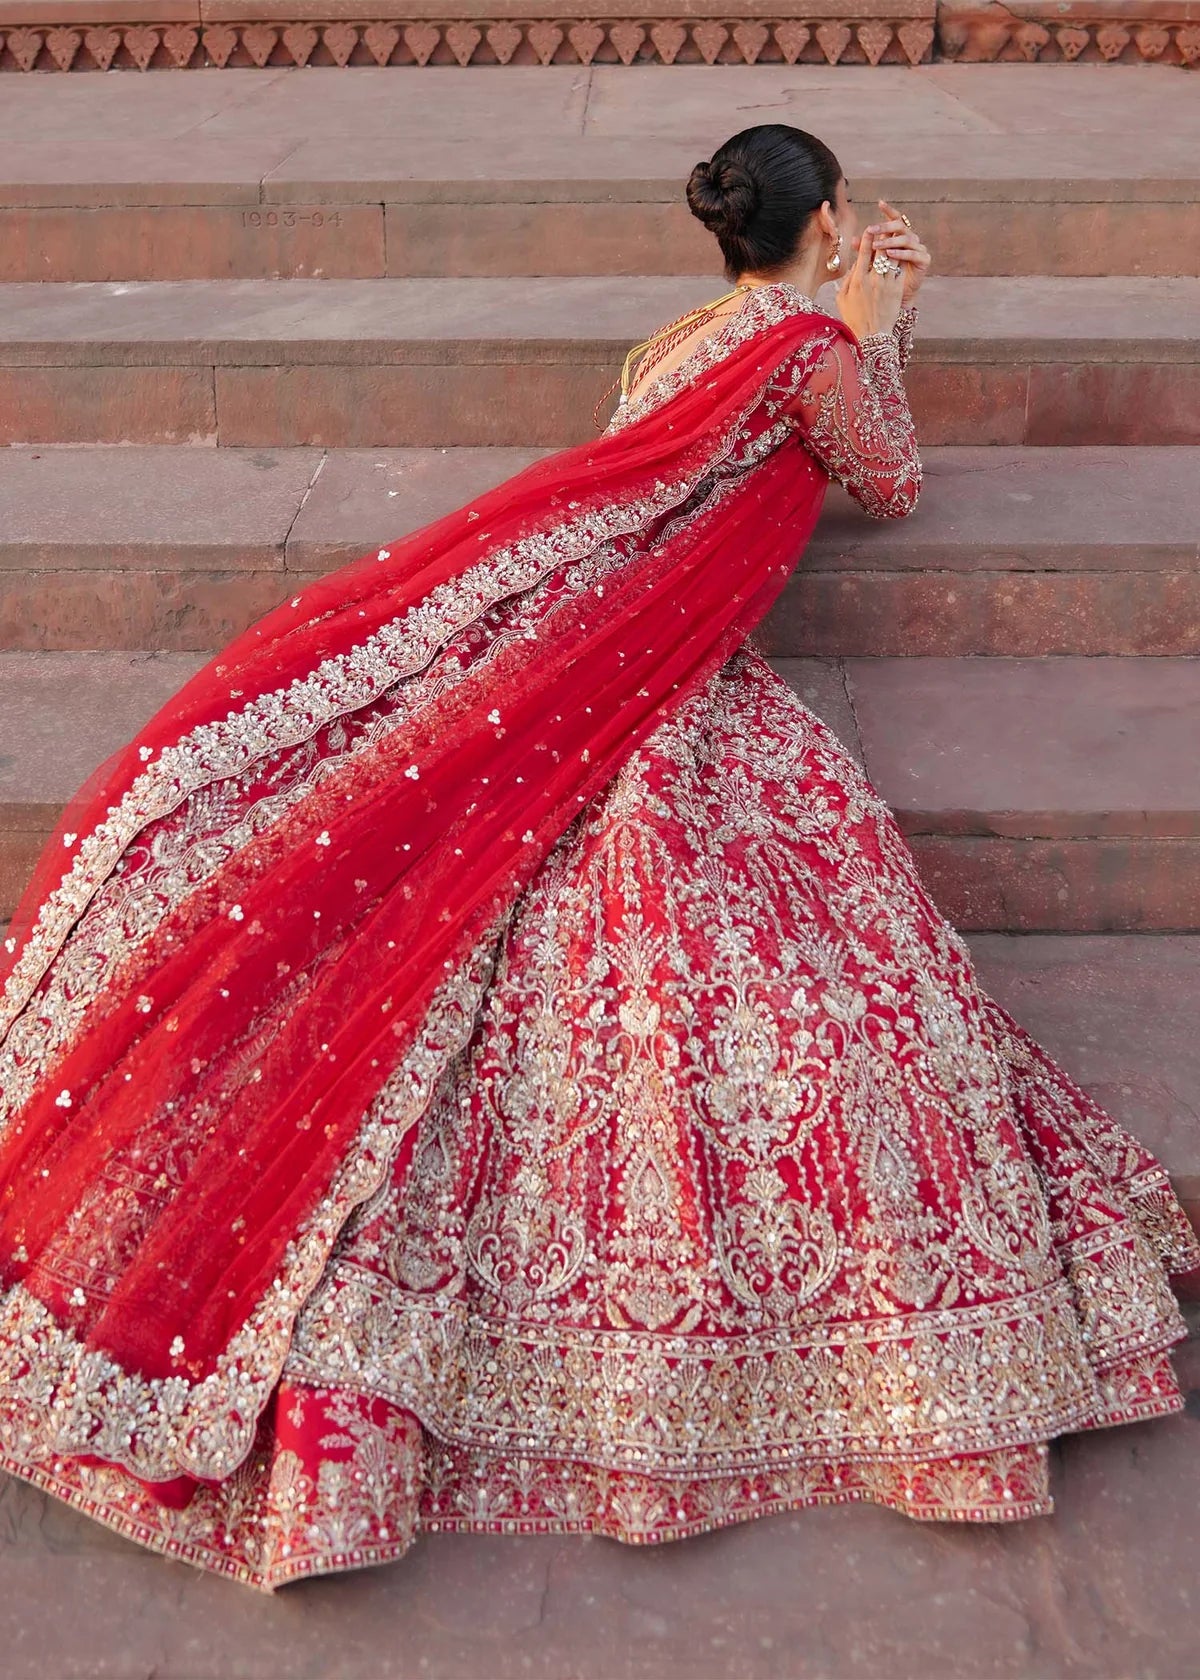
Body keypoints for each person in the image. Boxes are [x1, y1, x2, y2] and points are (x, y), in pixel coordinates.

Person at [0, 124, 1194, 1593]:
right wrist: (880, 331)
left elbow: (646, 459)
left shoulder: (683, 335)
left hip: (599, 625)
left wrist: (844, 318)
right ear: (828, 226)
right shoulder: (812, 351)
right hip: (669, 666)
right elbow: (889, 484)